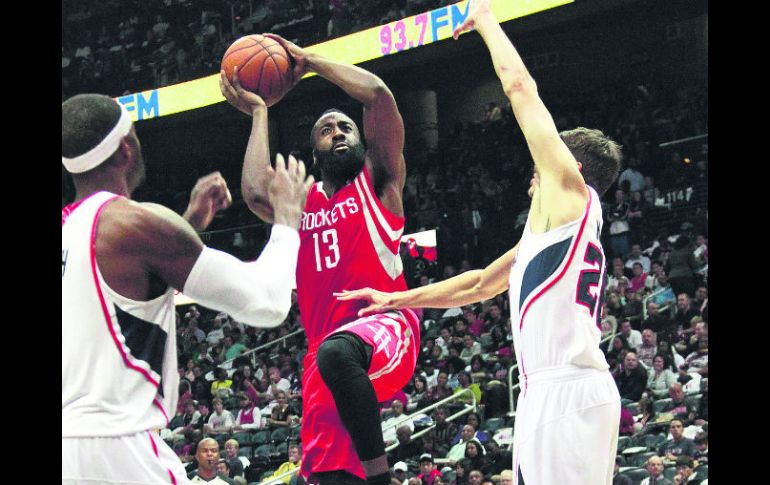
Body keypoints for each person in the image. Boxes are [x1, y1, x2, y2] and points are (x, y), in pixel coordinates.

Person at [336, 2, 623, 483]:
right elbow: (482, 283)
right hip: (567, 391)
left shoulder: (569, 194)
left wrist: (486, 20)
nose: (534, 172)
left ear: (569, 167)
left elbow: (520, 88)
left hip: (562, 389)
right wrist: (395, 298)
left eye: (543, 162)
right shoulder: (558, 230)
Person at [62, 94, 312, 484]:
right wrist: (287, 220)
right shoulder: (136, 224)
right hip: (118, 449)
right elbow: (268, 304)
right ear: (127, 148)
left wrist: (187, 226)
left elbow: (124, 284)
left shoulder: (71, 230)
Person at [220, 32, 420, 485]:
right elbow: (253, 191)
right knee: (328, 474)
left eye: (345, 127)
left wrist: (307, 61)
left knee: (338, 352)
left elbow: (379, 96)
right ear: (316, 153)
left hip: (387, 328)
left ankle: (382, 477)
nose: (338, 133)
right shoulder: (301, 204)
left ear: (363, 143)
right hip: (324, 354)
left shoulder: (379, 183)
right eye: (327, 131)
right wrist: (258, 112)